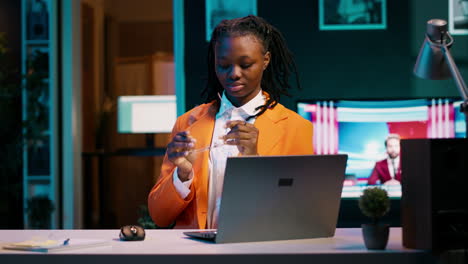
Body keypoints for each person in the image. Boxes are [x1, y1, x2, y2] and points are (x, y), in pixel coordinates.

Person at [147, 15, 313, 229]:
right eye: (223, 65)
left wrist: (254, 161)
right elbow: (159, 216)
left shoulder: (295, 127)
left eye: (246, 64)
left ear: (266, 60)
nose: (233, 74)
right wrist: (182, 173)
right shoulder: (186, 123)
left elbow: (302, 215)